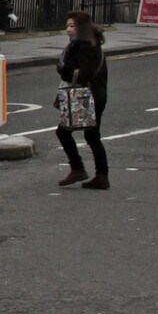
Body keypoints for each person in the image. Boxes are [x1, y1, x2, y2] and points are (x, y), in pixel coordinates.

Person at [55, 11, 109, 190]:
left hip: (86, 97)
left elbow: (83, 72)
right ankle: (101, 176)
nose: (68, 29)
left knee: (63, 133)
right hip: (96, 95)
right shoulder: (92, 42)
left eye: (72, 26)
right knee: (92, 136)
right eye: (67, 26)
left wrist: (64, 69)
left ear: (82, 28)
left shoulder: (84, 45)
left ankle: (78, 168)